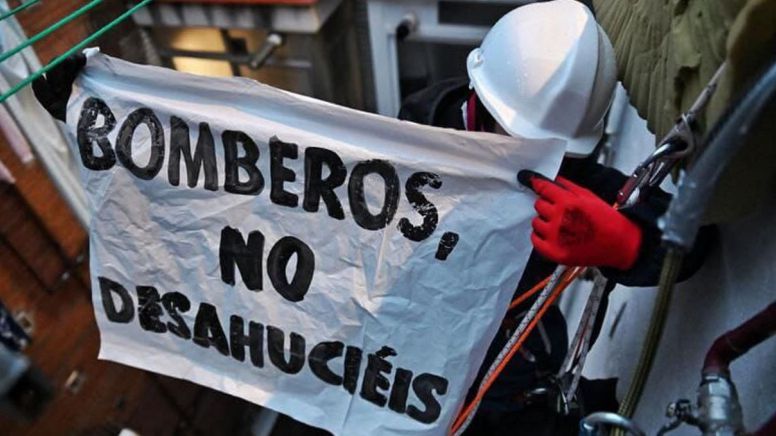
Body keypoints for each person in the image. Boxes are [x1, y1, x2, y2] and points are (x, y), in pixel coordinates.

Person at [399, 0, 714, 434]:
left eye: (550, 153)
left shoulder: (565, 175)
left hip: (515, 379)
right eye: (512, 140)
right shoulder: (415, 134)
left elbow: (694, 241)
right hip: (408, 364)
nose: (529, 160)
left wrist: (624, 243)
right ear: (480, 103)